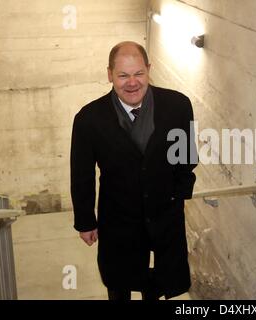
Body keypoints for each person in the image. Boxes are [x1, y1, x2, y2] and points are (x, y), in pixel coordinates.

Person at [70, 41, 197, 300]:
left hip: (164, 214)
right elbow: (81, 174)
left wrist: (179, 196)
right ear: (109, 75)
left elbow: (186, 155)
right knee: (119, 282)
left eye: (138, 73)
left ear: (148, 69)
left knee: (159, 281)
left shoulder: (178, 106)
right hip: (118, 217)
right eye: (123, 75)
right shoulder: (88, 119)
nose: (132, 83)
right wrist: (85, 220)